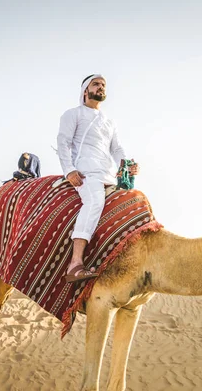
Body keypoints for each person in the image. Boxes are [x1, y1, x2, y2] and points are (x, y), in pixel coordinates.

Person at [57, 74, 139, 283]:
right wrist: (69, 171)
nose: (101, 87)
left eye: (103, 85)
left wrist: (126, 166)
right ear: (85, 90)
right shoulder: (73, 114)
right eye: (96, 84)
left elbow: (117, 149)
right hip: (86, 173)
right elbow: (63, 142)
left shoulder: (109, 122)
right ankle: (75, 264)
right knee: (94, 201)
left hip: (108, 174)